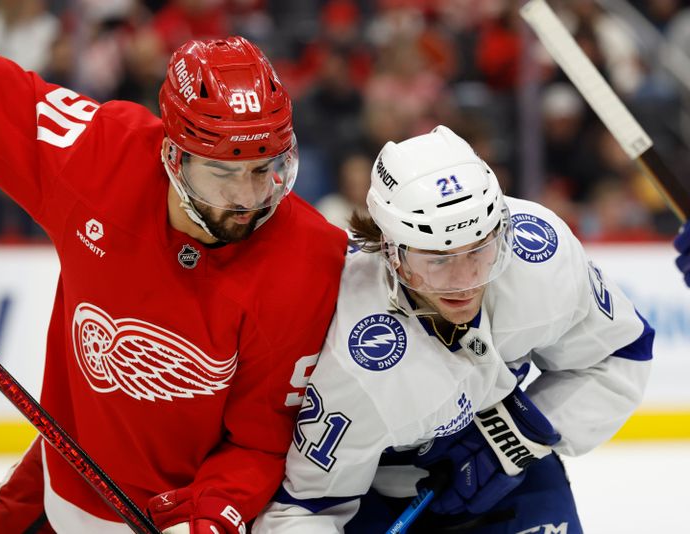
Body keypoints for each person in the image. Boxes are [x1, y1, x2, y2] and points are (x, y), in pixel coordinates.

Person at [0, 36, 347, 533]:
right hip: (60, 479)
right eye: (222, 172)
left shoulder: (310, 260)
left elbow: (261, 440)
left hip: (181, 514)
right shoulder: (101, 156)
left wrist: (213, 514)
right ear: (174, 156)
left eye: (265, 169)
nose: (249, 199)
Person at [254, 126, 654, 533]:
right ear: (392, 252)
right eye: (438, 260)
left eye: (479, 249)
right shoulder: (357, 352)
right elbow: (302, 510)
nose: (465, 281)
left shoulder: (538, 254)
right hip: (376, 501)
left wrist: (513, 440)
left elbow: (622, 351)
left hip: (511, 480)